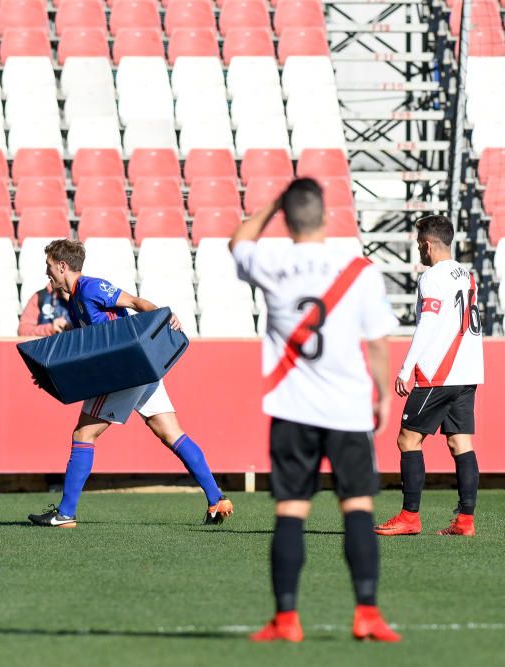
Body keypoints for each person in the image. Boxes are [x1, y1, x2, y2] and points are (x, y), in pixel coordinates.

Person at [230, 179, 400, 642]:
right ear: (326, 217)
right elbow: (379, 343)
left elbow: (238, 241)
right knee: (358, 510)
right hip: (347, 411)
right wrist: (383, 395)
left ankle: (286, 619)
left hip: (292, 408)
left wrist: (270, 205)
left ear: (286, 219)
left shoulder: (270, 261)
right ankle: (367, 613)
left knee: (290, 512)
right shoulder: (358, 270)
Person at [26, 239, 233, 528]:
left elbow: (137, 303)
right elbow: (84, 343)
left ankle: (65, 513)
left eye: (49, 266)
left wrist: (164, 316)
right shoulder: (75, 300)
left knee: (83, 437)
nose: (47, 272)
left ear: (62, 266)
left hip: (122, 374)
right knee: (172, 434)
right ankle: (217, 499)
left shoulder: (90, 287)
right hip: (140, 372)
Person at [374, 215, 484, 537]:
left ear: (426, 244)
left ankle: (410, 517)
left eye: (418, 244)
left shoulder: (432, 277)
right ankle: (465, 521)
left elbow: (428, 326)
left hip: (439, 373)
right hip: (468, 371)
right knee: (460, 442)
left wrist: (406, 369)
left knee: (407, 439)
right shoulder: (467, 275)